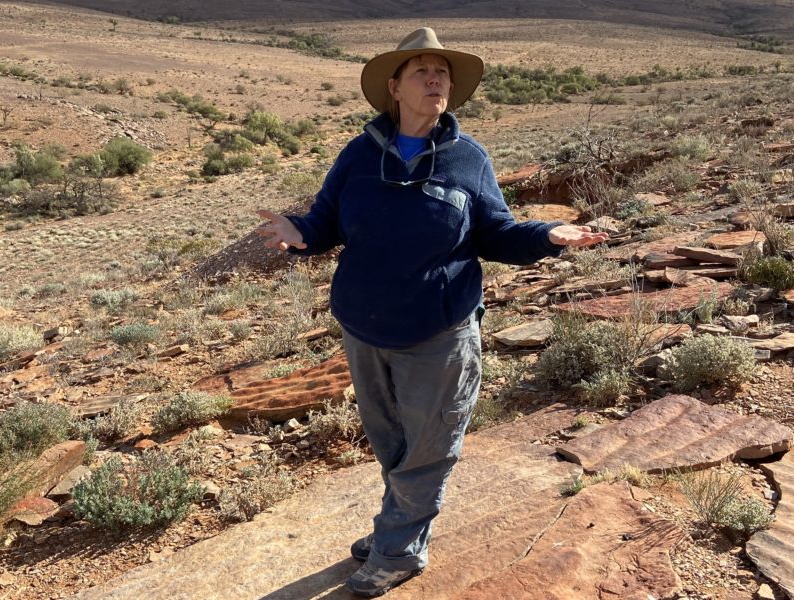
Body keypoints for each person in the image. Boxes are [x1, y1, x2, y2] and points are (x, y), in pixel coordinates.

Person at [258, 27, 608, 598]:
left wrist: (548, 235)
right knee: (391, 440)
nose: (435, 78)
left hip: (438, 332)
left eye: (442, 71)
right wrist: (301, 231)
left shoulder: (469, 159)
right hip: (364, 327)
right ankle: (399, 525)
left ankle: (398, 550)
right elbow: (326, 221)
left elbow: (496, 233)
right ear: (394, 87)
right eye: (421, 70)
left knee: (428, 446)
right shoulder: (360, 153)